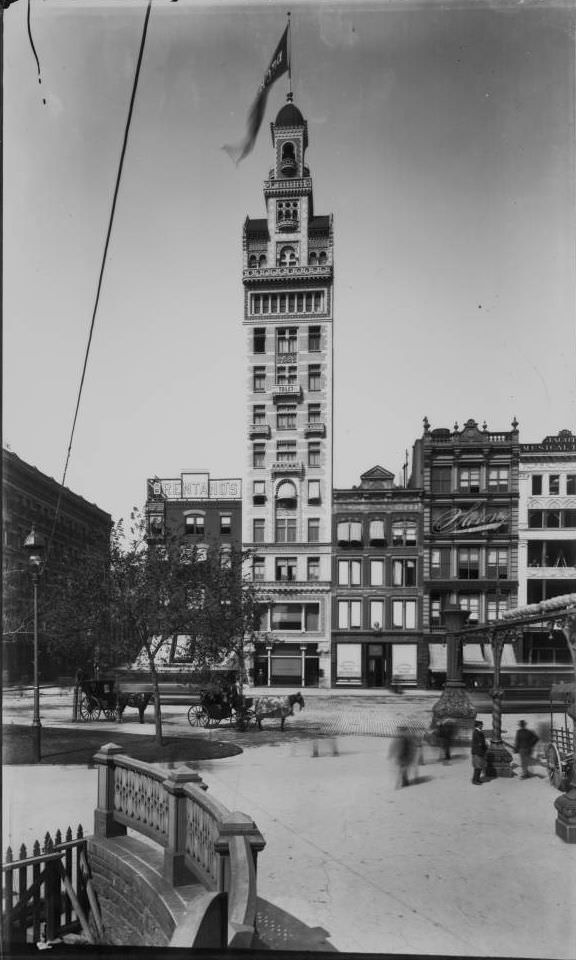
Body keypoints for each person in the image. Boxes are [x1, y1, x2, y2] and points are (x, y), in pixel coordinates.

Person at [471, 719, 488, 785]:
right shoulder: (477, 732)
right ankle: (475, 780)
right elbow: (480, 742)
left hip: (478, 752)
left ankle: (477, 779)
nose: (482, 726)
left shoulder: (478, 732)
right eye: (481, 725)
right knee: (478, 767)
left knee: (479, 766)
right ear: (479, 725)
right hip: (477, 752)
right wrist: (486, 746)